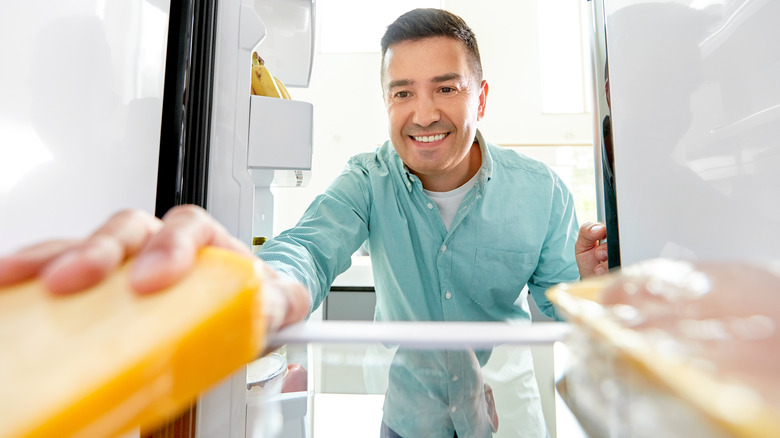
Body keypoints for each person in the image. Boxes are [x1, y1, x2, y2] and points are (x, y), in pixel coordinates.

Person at [0, 8, 608, 437]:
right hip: (407, 414)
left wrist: (586, 288)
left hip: (509, 420)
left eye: (445, 88)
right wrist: (250, 284)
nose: (423, 113)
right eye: (401, 93)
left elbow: (563, 316)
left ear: (478, 98)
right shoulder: (366, 180)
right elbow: (309, 250)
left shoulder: (542, 192)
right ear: (387, 102)